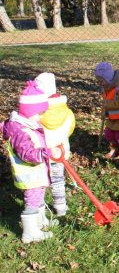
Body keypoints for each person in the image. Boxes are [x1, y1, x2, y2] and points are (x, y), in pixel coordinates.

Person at [1, 80, 63, 243]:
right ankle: (30, 232)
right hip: (30, 175)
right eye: (40, 113)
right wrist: (48, 153)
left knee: (38, 197)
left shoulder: (26, 124)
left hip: (36, 174)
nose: (42, 117)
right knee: (32, 202)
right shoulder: (20, 132)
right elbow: (28, 153)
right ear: (30, 111)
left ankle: (41, 221)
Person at [35, 72, 76, 217]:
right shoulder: (66, 111)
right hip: (60, 152)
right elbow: (70, 128)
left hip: (42, 153)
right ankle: (61, 208)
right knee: (58, 180)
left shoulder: (37, 113)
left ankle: (38, 208)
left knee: (39, 182)